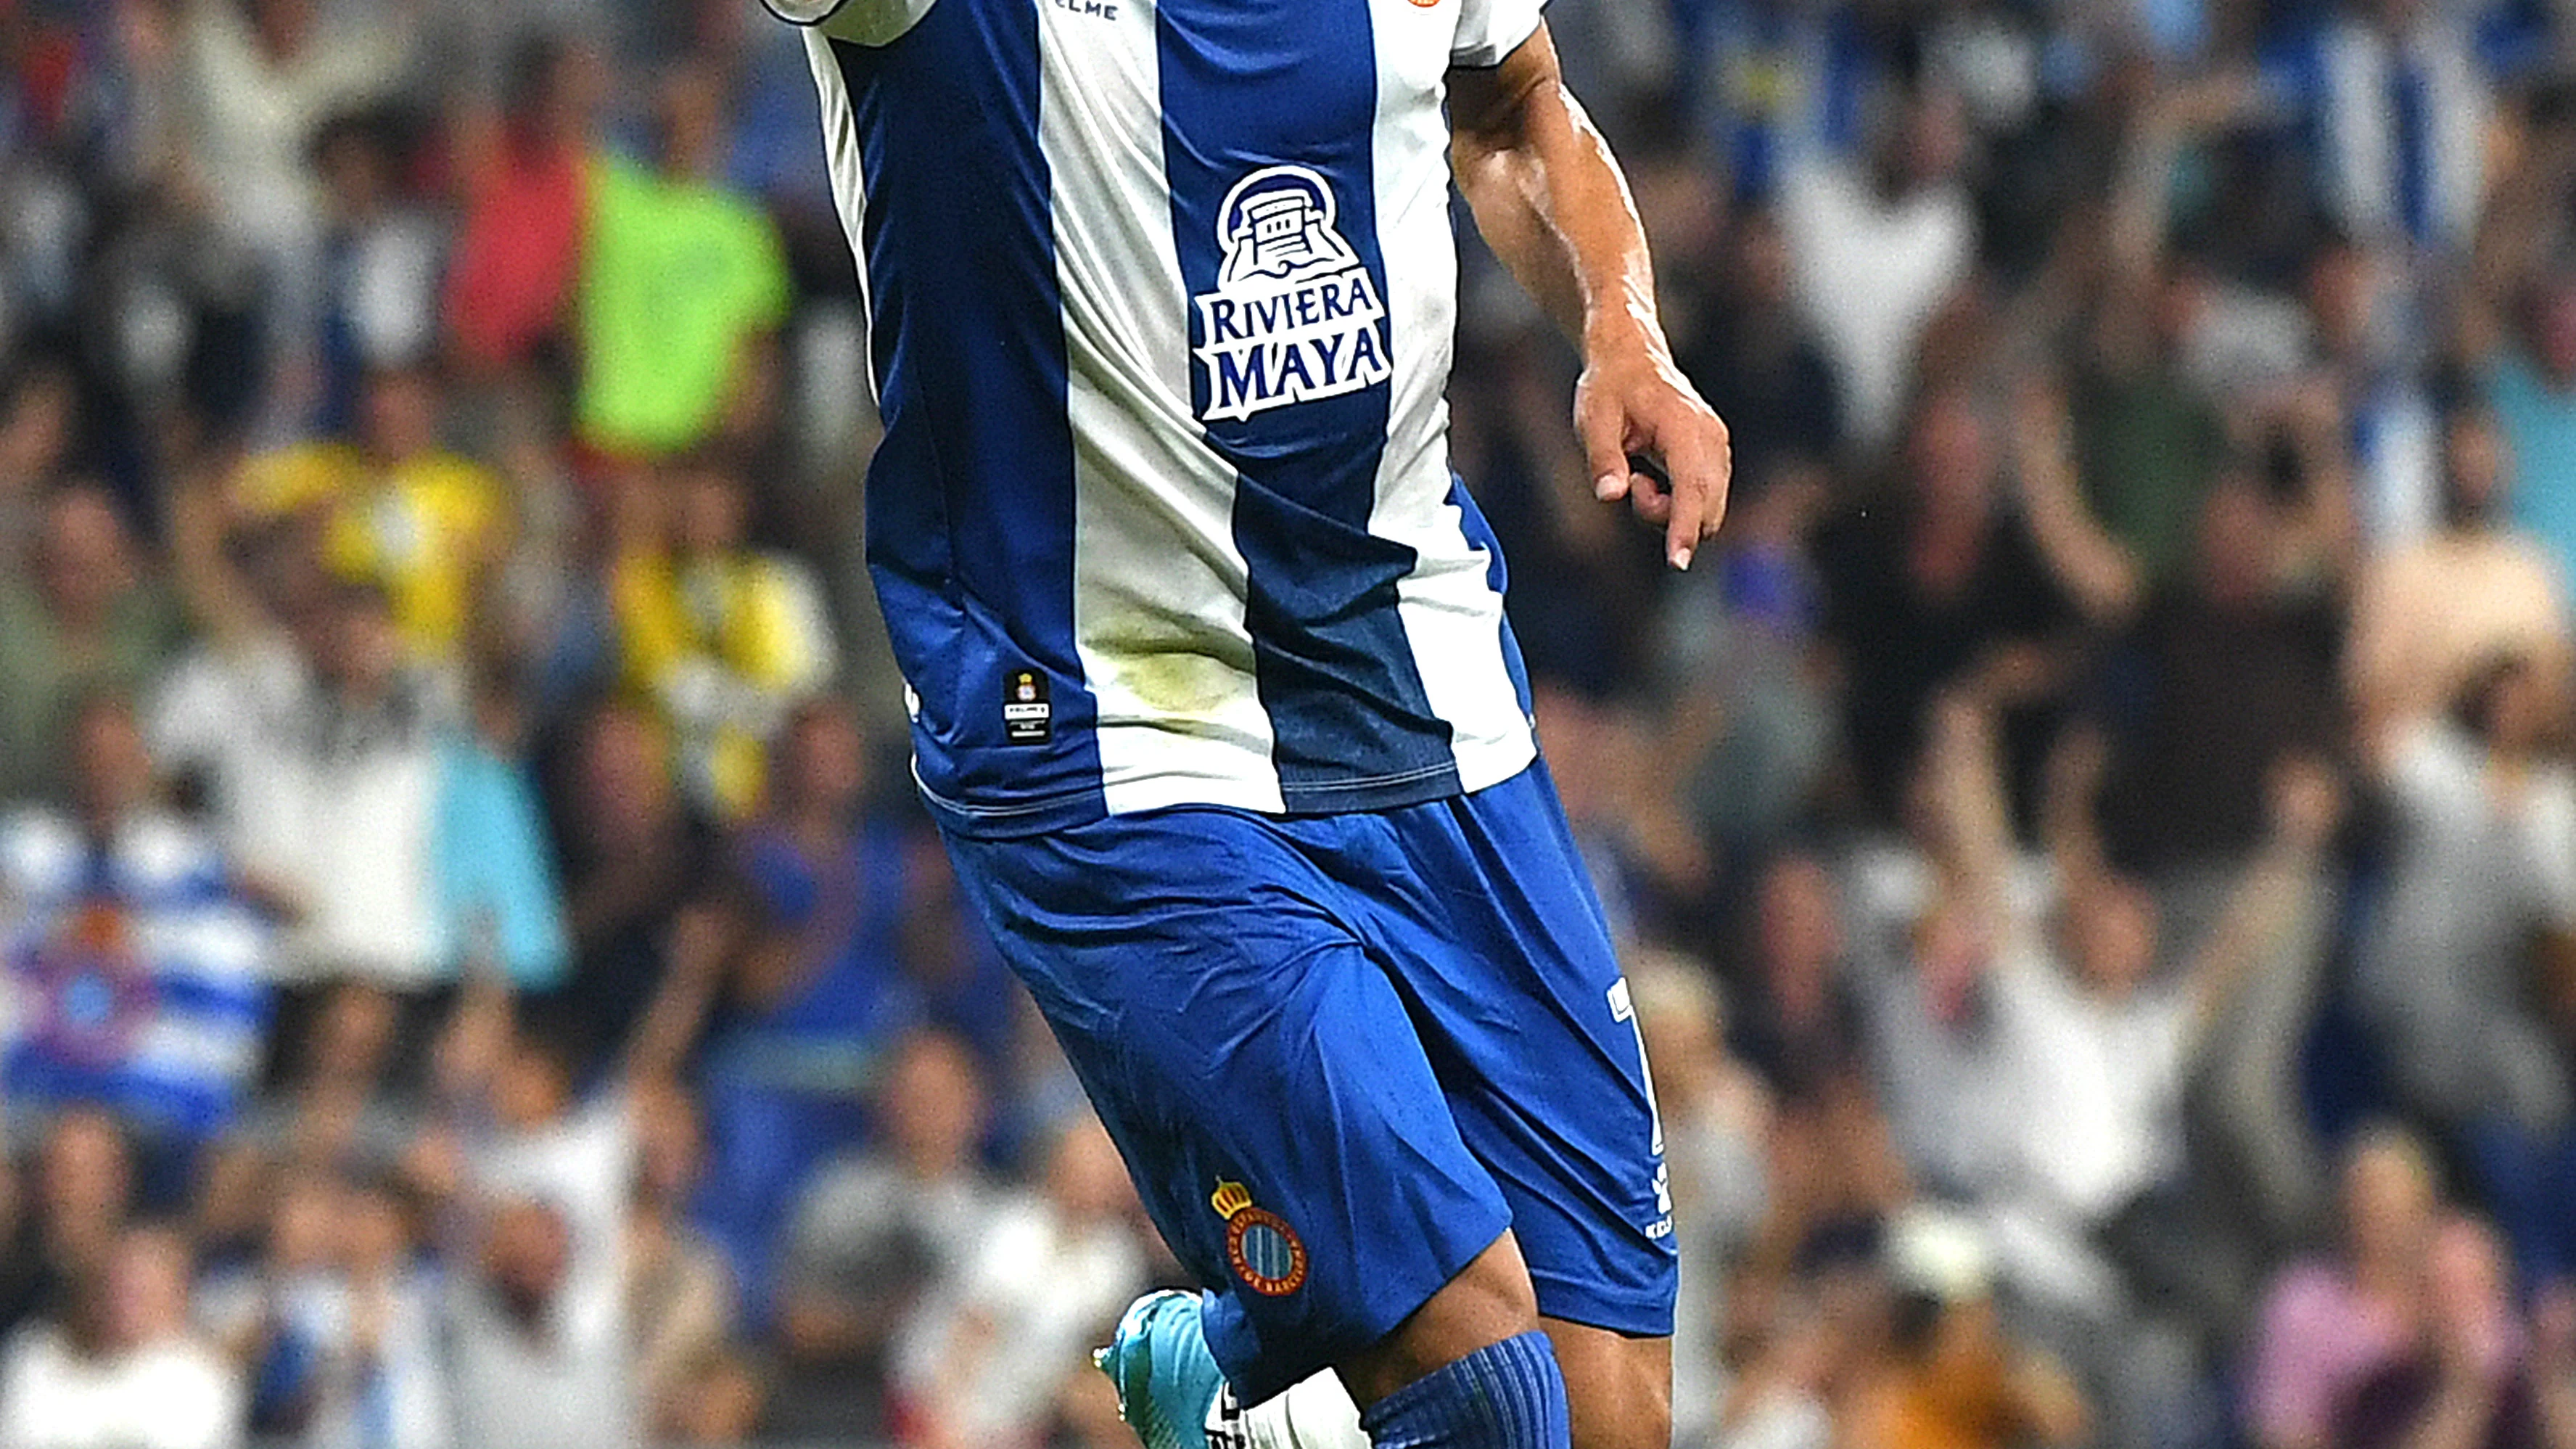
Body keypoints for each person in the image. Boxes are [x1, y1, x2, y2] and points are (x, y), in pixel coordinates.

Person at [772, 0, 1731, 1446]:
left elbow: (1512, 100)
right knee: (1479, 1377)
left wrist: (1620, 321)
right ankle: (1274, 1388)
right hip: (1114, 737)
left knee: (1606, 1413)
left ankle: (1247, 1369)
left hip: (1426, 697)